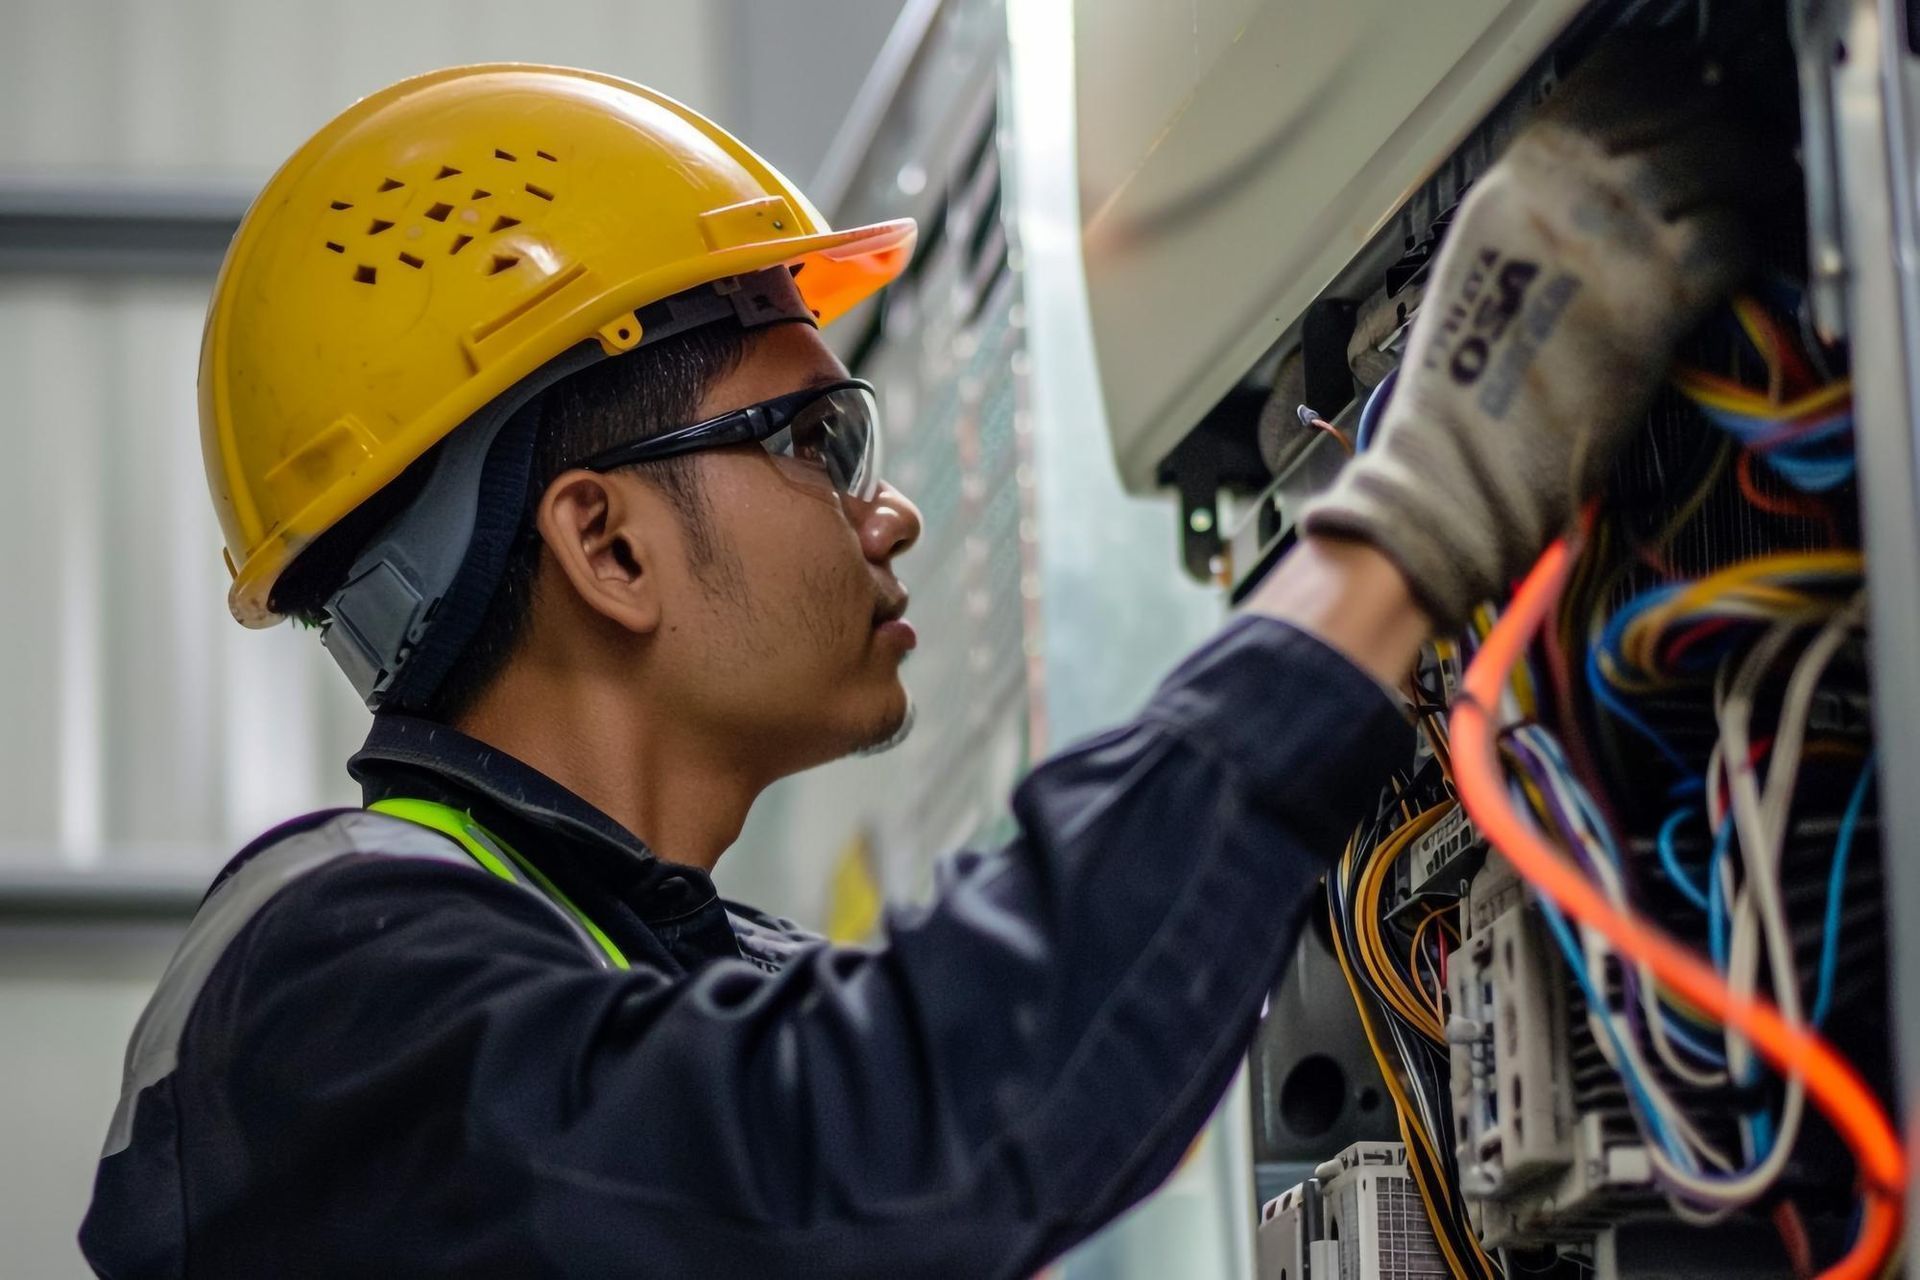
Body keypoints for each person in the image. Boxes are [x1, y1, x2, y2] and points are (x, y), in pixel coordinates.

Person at [82, 40, 1746, 1279]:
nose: (887, 516)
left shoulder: (659, 964)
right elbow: (889, 1132)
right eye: (813, 437)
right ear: (604, 546)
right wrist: (1412, 520)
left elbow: (949, 1069)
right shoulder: (317, 992)